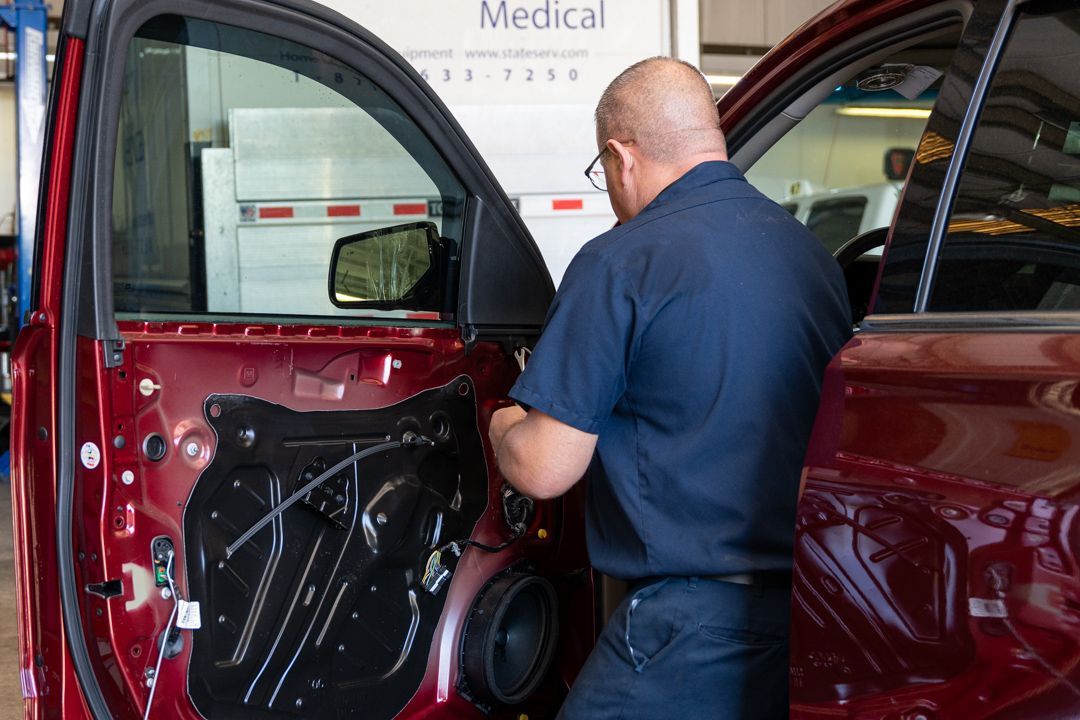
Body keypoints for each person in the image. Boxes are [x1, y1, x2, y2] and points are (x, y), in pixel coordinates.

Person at [488, 57, 852, 719]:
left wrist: (501, 422)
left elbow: (544, 469)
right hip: (812, 614)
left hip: (685, 623)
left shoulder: (622, 259)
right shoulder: (813, 257)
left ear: (619, 156)